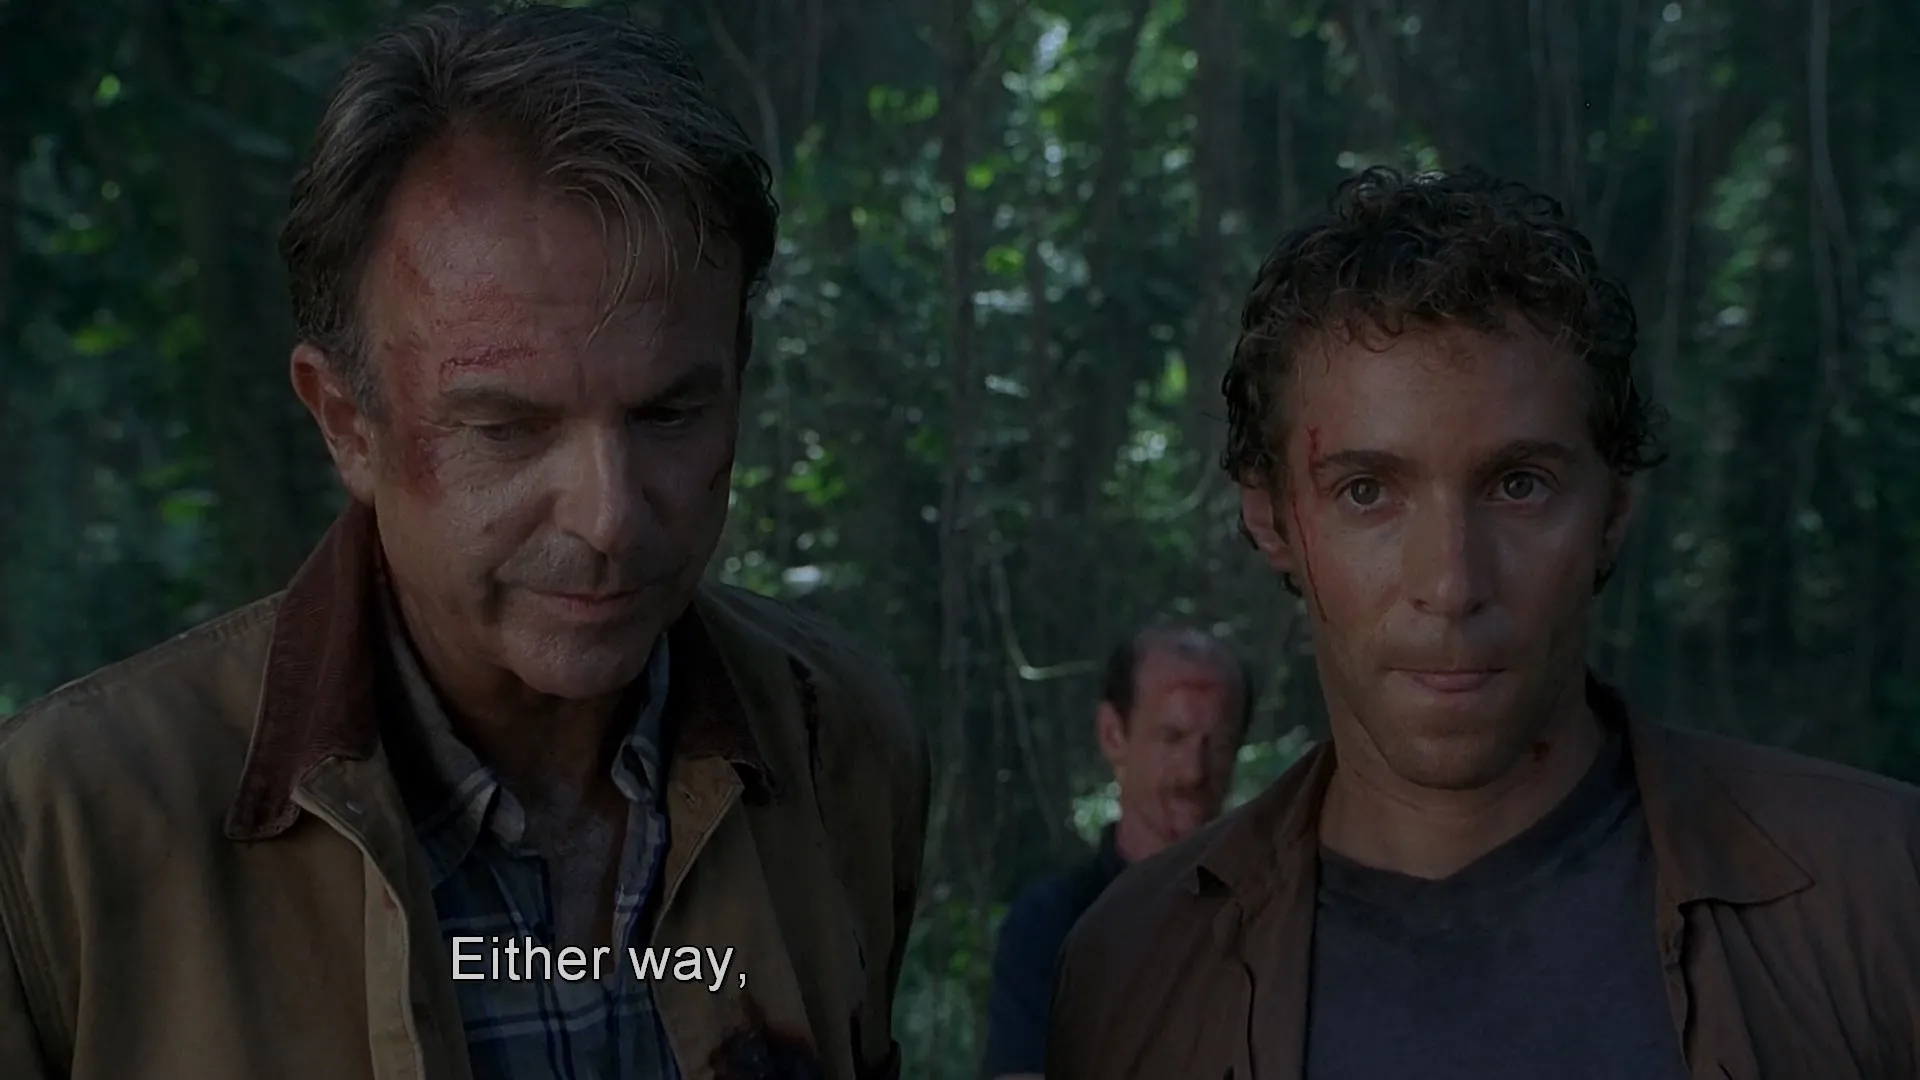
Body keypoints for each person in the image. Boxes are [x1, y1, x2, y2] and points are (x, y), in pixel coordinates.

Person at [0, 6, 929, 1079]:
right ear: (346, 424)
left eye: (670, 413)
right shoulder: (65, 834)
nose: (609, 517)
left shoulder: (832, 743)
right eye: (507, 428)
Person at [1044, 166, 1920, 1079]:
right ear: (1272, 520)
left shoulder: (1880, 893)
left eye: (1519, 485)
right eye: (1368, 491)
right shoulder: (1133, 968)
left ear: (1613, 510)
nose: (1452, 582)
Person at [979, 621, 1251, 1079]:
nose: (1194, 771)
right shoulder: (1052, 925)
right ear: (1113, 734)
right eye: (1172, 738)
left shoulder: (1269, 915)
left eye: (1219, 744)